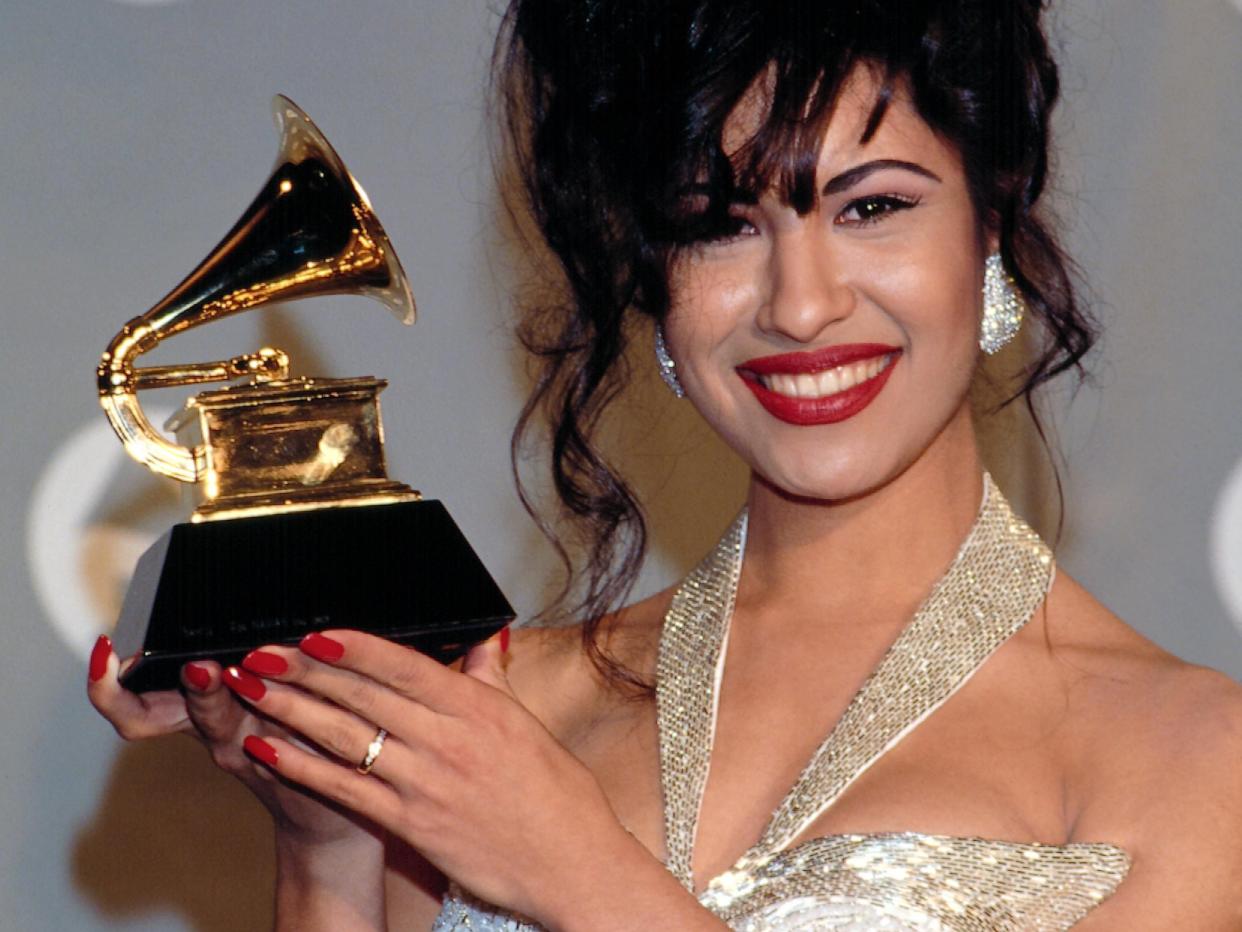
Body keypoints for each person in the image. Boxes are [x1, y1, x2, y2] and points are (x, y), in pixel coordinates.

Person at [89, 1, 1242, 929]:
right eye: (719, 224)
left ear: (991, 221)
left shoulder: (1192, 761)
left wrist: (576, 871)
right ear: (648, 273)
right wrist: (328, 848)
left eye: (873, 206)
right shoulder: (501, 711)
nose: (802, 304)